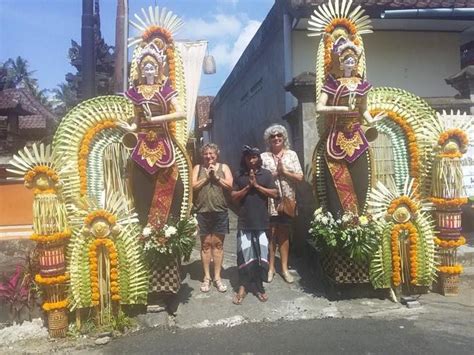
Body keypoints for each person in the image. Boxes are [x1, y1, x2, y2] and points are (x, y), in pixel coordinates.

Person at [121, 14, 190, 311]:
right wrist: (129, 128)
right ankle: (144, 286)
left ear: (160, 68)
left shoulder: (165, 90)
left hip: (163, 150)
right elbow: (135, 123)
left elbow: (181, 114)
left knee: (165, 214)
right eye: (144, 65)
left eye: (153, 65)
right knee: (143, 211)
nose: (148, 68)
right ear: (139, 68)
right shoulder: (134, 92)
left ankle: (168, 286)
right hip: (140, 153)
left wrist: (156, 119)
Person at [315, 38, 384, 216]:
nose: (350, 63)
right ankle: (339, 217)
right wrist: (343, 109)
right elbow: (319, 107)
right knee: (337, 177)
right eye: (347, 60)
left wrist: (372, 121)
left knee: (361, 178)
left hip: (357, 137)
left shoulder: (361, 85)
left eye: (353, 60)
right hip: (337, 136)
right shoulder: (332, 83)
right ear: (341, 61)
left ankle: (358, 217)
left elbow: (364, 109)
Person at [231, 146, 278, 304]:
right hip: (245, 222)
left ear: (259, 158)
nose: (252, 160)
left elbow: (275, 193)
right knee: (244, 255)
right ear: (244, 159)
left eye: (255, 157)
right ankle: (243, 287)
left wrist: (257, 186)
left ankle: (259, 286)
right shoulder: (239, 175)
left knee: (261, 255)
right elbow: (234, 197)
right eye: (249, 157)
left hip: (262, 222)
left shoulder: (266, 174)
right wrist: (248, 187)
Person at [261, 125, 303, 283]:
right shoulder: (264, 157)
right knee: (271, 234)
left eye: (279, 135)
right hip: (270, 202)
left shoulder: (291, 155)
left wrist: (285, 172)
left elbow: (300, 177)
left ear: (284, 138)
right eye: (273, 136)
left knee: (284, 235)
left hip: (288, 200)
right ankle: (271, 267)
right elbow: (261, 179)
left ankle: (284, 268)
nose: (276, 138)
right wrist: (276, 173)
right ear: (269, 140)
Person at [192, 143, 233, 293]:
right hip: (202, 212)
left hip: (220, 211)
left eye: (211, 153)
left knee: (218, 245)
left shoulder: (224, 167)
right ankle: (206, 278)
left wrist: (215, 177)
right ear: (203, 155)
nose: (209, 156)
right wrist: (207, 178)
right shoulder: (197, 168)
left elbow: (229, 185)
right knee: (205, 245)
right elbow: (193, 186)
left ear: (217, 154)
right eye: (206, 154)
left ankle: (217, 277)